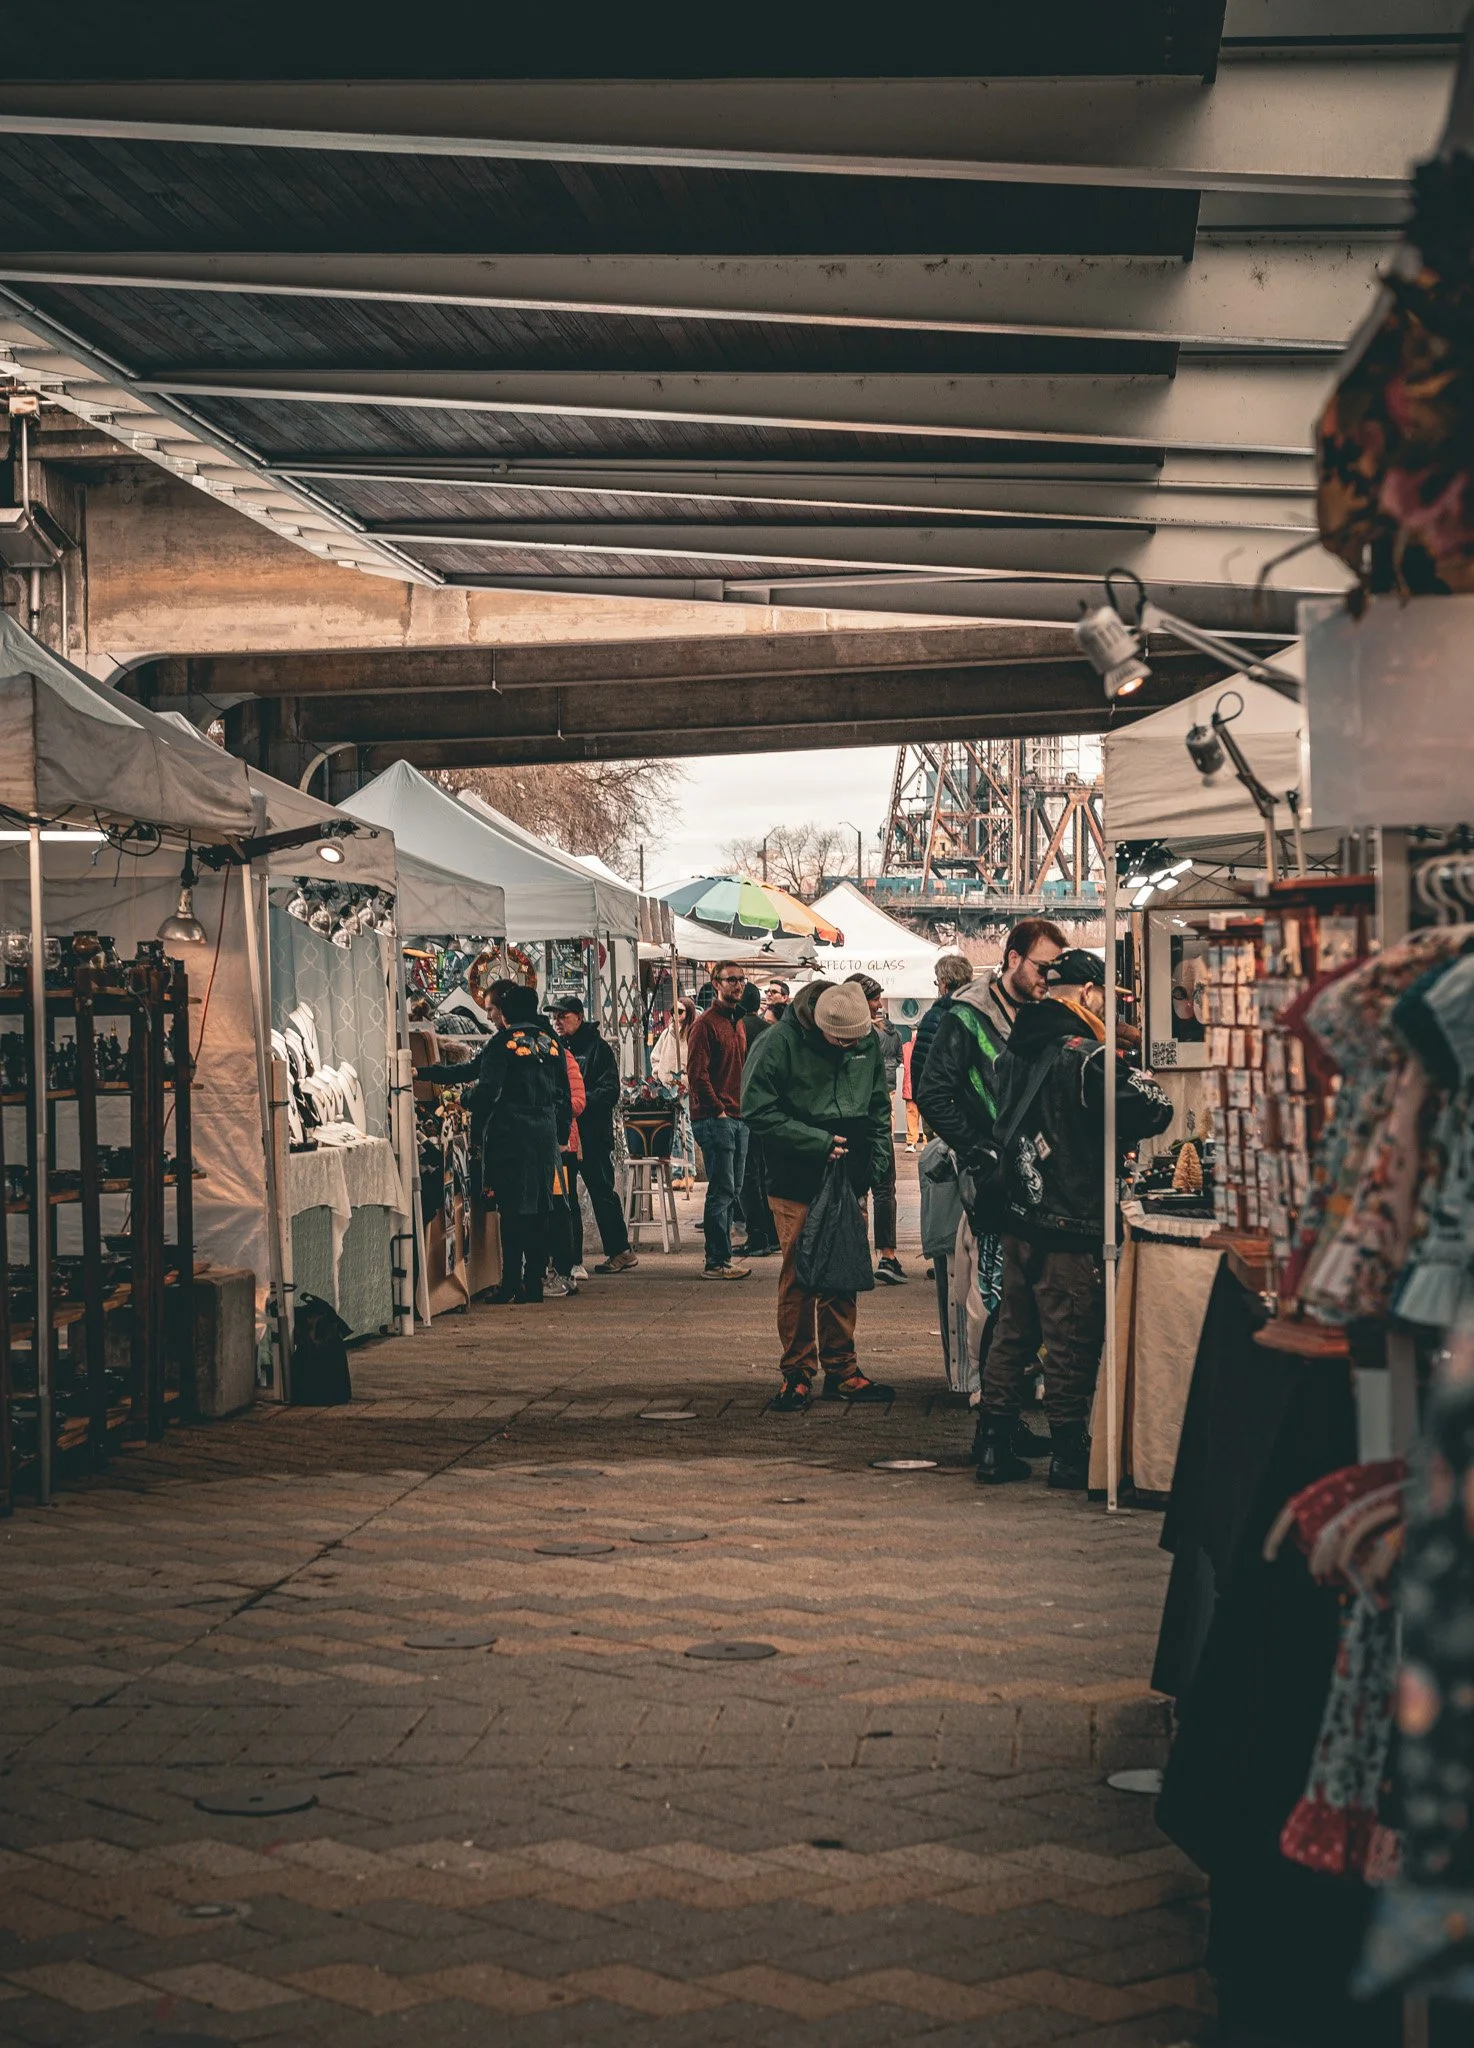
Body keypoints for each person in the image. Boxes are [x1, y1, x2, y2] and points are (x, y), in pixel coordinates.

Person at [975, 949, 1172, 1490]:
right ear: (1088, 994)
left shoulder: (1013, 1050)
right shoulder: (1087, 1055)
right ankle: (1068, 1451)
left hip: (1020, 1215)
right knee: (1070, 1337)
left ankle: (993, 1443)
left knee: (1013, 1330)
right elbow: (1155, 1108)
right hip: (1071, 1219)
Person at [915, 919, 1068, 1448]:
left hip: (1043, 1180)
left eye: (1055, 968)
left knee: (1029, 1297)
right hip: (998, 1181)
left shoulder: (1043, 1013)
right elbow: (933, 1092)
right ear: (1012, 959)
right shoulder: (968, 1016)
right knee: (999, 1295)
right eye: (1043, 966)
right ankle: (996, 1420)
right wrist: (978, 1149)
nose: (1049, 976)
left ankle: (1006, 1418)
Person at [743, 979, 895, 1410]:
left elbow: (879, 1106)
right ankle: (797, 1370)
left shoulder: (862, 1036)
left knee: (842, 1268)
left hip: (850, 1173)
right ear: (818, 1024)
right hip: (796, 1173)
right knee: (800, 1272)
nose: (848, 1048)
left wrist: (880, 1162)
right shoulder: (778, 1043)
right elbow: (756, 1109)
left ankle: (843, 1368)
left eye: (856, 1041)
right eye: (838, 1041)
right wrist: (815, 1140)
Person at [420, 980, 572, 1304]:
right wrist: (561, 1134)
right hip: (544, 1137)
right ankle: (534, 1284)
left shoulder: (502, 1043)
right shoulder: (551, 1043)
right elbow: (565, 1095)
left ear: (504, 1011)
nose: (490, 1015)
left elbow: (484, 1085)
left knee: (513, 1211)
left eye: (492, 1009)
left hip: (511, 1136)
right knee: (541, 1209)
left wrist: (461, 1096)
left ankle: (510, 1284)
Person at [549, 995, 638, 1275]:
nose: (558, 1022)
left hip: (592, 1135)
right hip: (567, 1135)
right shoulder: (558, 1048)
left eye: (562, 1017)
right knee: (566, 1197)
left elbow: (610, 1091)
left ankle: (620, 1250)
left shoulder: (597, 1049)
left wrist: (578, 1102)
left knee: (601, 1191)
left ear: (578, 1016)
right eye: (555, 1018)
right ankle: (572, 1259)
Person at [686, 962, 752, 1278]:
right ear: (716, 984)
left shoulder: (737, 1023)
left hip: (738, 1116)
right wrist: (718, 1110)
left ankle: (722, 1257)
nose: (738, 985)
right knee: (722, 1189)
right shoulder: (705, 1024)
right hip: (716, 1118)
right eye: (731, 980)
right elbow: (696, 1074)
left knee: (732, 1188)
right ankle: (715, 1261)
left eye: (741, 979)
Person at [846, 973, 906, 1284]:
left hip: (852, 1123)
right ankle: (887, 1256)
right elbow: (876, 1088)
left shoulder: (835, 1034)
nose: (878, 1004)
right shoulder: (869, 1036)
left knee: (859, 1194)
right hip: (870, 1122)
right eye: (873, 998)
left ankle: (859, 1257)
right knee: (882, 1189)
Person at [737, 985, 780, 1256]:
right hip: (769, 1109)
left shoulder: (737, 1028)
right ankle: (773, 1232)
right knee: (765, 1171)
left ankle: (757, 1234)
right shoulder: (769, 1032)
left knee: (747, 1174)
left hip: (742, 1109)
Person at [547, 1030, 587, 1295]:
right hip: (551, 1144)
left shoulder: (564, 1058)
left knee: (565, 1203)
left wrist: (549, 1106)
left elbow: (578, 1101)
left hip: (563, 1145)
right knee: (559, 1203)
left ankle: (572, 1262)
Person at [909, 950, 975, 1104]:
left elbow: (921, 1064)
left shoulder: (936, 1015)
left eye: (937, 982)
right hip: (979, 1106)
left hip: (945, 1104)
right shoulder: (983, 1011)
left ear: (944, 982)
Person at [901, 1034, 921, 1153]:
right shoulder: (932, 1047)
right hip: (924, 1086)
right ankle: (927, 1141)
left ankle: (911, 1142)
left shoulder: (906, 1047)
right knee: (927, 1117)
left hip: (910, 1085)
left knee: (911, 1114)